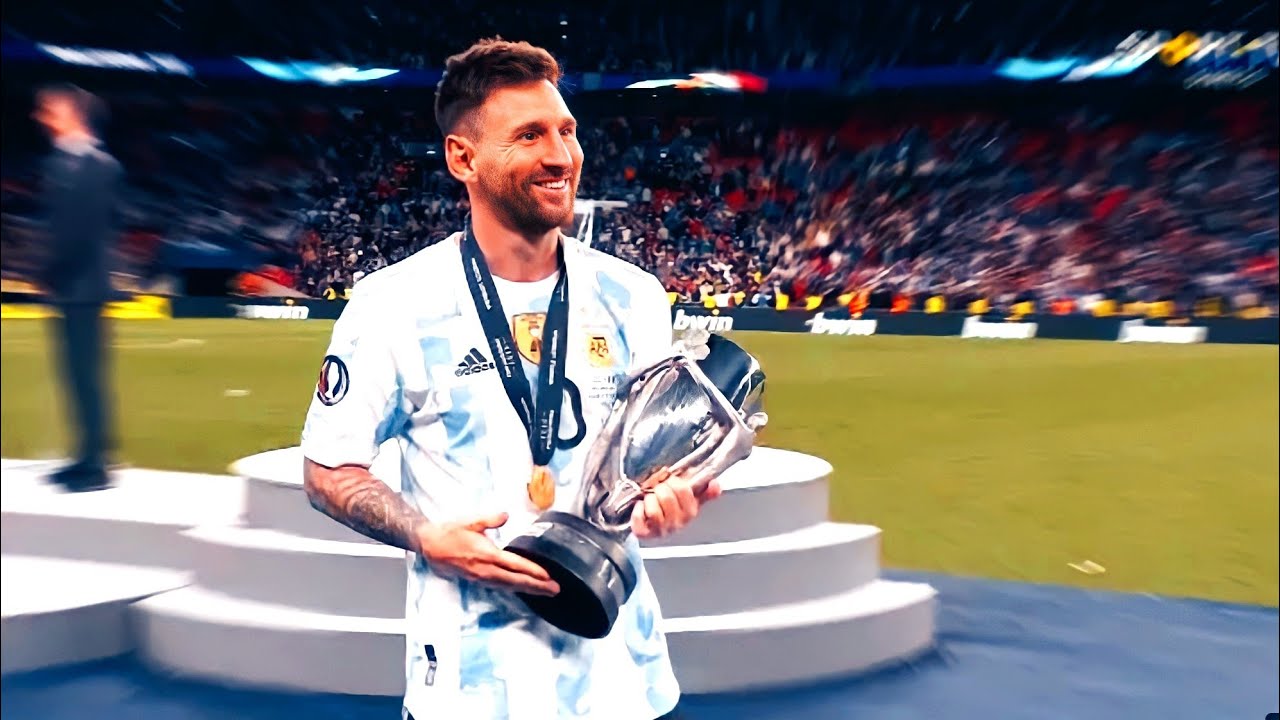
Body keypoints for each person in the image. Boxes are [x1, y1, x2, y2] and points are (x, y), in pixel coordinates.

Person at [300, 38, 720, 720]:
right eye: (529, 135)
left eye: (566, 131)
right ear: (462, 158)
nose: (561, 155)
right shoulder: (393, 305)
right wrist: (425, 535)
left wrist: (672, 494)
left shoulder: (634, 297)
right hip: (469, 687)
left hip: (622, 678)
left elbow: (654, 467)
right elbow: (328, 470)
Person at [32, 83, 123, 492]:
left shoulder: (98, 165)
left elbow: (82, 232)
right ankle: (84, 456)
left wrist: (50, 271)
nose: (41, 116)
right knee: (74, 377)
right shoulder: (61, 162)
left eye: (50, 109)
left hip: (84, 286)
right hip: (70, 285)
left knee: (87, 377)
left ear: (74, 113)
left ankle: (96, 463)